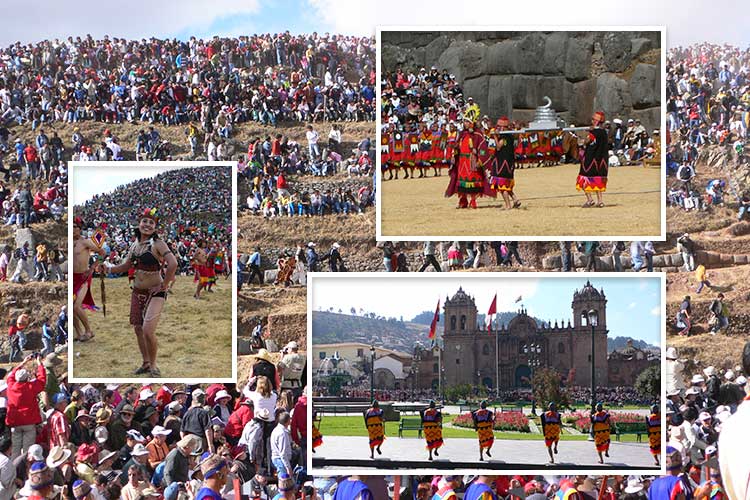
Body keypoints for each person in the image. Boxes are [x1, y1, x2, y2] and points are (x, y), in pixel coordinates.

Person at [101, 208, 178, 377]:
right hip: (137, 291)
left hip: (155, 292)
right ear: (139, 223)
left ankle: (154, 365)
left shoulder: (158, 243)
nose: (147, 225)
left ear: (156, 227)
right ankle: (145, 362)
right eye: (145, 221)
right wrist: (107, 269)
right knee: (138, 328)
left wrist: (164, 285)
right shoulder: (135, 245)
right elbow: (126, 266)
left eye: (151, 222)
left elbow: (173, 264)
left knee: (148, 330)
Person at [445, 118, 493, 209]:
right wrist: (454, 154)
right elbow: (457, 147)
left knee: (472, 181)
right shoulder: (462, 134)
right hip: (462, 161)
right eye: (464, 122)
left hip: (472, 161)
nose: (465, 123)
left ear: (472, 123)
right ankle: (463, 200)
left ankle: (473, 200)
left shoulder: (477, 134)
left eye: (467, 122)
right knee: (461, 181)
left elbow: (483, 149)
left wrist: (479, 157)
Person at [6, 354, 46, 460]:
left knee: (15, 449)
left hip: (15, 422)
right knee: (28, 450)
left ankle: (15, 469)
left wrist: (23, 363)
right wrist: (39, 364)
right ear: (26, 378)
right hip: (29, 422)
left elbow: (11, 374)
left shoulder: (10, 386)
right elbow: (42, 380)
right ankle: (24, 469)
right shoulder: (30, 387)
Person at [72, 217, 105, 341]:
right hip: (72, 277)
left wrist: (92, 268)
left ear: (80, 229)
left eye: (75, 227)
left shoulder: (85, 242)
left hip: (83, 277)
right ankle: (79, 333)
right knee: (71, 307)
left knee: (76, 306)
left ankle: (89, 331)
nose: (73, 229)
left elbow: (102, 252)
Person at [577, 110, 609, 207]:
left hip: (590, 159)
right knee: (597, 179)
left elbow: (586, 141)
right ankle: (600, 201)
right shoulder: (604, 133)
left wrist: (582, 140)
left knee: (583, 178)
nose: (592, 121)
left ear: (596, 121)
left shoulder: (593, 133)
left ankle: (590, 199)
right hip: (601, 160)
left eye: (593, 119)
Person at [489, 117, 521, 210]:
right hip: (508, 163)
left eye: (499, 127)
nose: (498, 128)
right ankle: (515, 199)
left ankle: (508, 205)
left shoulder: (505, 137)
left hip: (502, 164)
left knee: (502, 185)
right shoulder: (511, 136)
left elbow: (499, 147)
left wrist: (495, 137)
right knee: (506, 184)